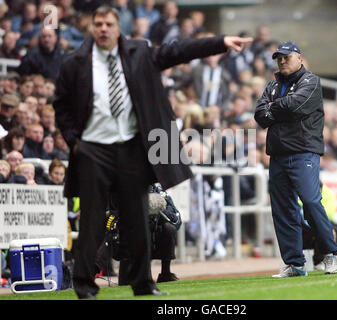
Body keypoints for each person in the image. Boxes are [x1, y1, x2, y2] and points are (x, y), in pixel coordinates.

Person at [53, 5, 252, 299]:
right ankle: (84, 287)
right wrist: (74, 141)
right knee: (93, 218)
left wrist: (219, 42)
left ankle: (143, 284)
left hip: (132, 149)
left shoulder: (140, 53)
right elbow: (61, 105)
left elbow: (176, 51)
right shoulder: (75, 63)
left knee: (139, 217)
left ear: (118, 27)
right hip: (94, 149)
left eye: (109, 23)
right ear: (92, 28)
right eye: (98, 24)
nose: (103, 28)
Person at [254, 41, 337, 277]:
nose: (282, 61)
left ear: (299, 58)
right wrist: (276, 109)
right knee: (283, 210)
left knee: (311, 202)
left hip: (303, 153)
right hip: (278, 155)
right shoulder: (272, 85)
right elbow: (260, 115)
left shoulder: (311, 81)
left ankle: (330, 254)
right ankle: (294, 263)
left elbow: (295, 106)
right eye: (278, 58)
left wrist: (273, 109)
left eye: (286, 57)